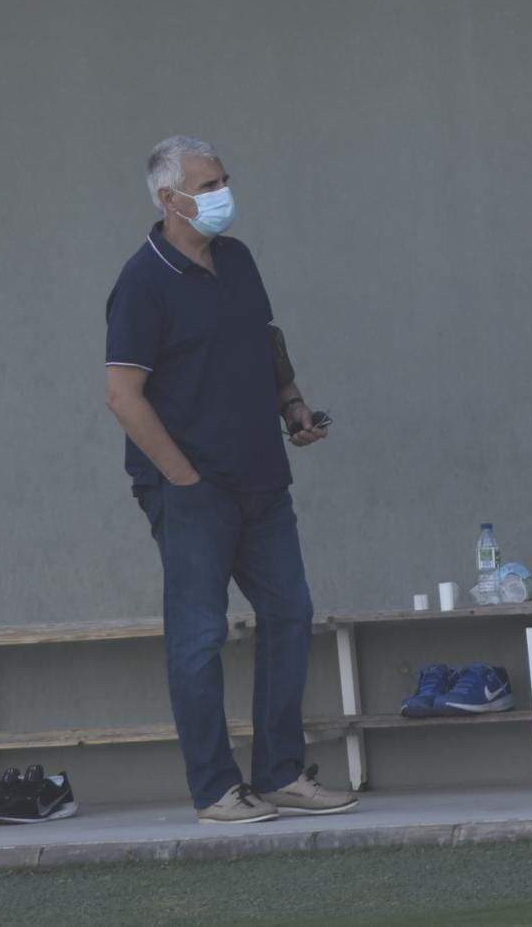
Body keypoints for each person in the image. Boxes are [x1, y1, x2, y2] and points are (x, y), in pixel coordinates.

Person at [103, 136, 358, 824]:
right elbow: (123, 395)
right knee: (198, 635)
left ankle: (278, 773)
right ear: (169, 197)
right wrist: (182, 477)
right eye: (208, 183)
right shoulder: (141, 280)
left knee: (291, 613)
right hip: (191, 490)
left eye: (224, 178)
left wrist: (294, 407)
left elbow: (265, 339)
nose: (222, 192)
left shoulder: (238, 259)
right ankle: (216, 788)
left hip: (261, 479)